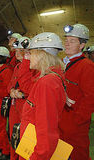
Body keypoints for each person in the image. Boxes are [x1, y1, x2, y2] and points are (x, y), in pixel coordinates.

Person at [18, 32, 66, 160]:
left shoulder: (47, 83)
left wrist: (38, 157)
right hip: (31, 145)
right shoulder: (46, 78)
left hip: (37, 153)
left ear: (41, 54)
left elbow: (46, 130)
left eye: (31, 53)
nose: (28, 57)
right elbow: (25, 85)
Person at [59, 24, 94, 160]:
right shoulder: (62, 63)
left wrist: (77, 121)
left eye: (72, 41)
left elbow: (91, 98)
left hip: (75, 125)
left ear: (82, 45)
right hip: (60, 119)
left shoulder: (87, 67)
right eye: (66, 40)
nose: (67, 43)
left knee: (78, 155)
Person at [7, 37, 31, 160]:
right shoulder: (17, 67)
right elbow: (11, 83)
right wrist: (11, 90)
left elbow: (32, 87)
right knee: (13, 133)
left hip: (25, 105)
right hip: (14, 104)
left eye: (20, 50)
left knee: (24, 135)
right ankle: (13, 156)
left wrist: (22, 94)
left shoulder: (33, 67)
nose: (16, 52)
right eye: (16, 50)